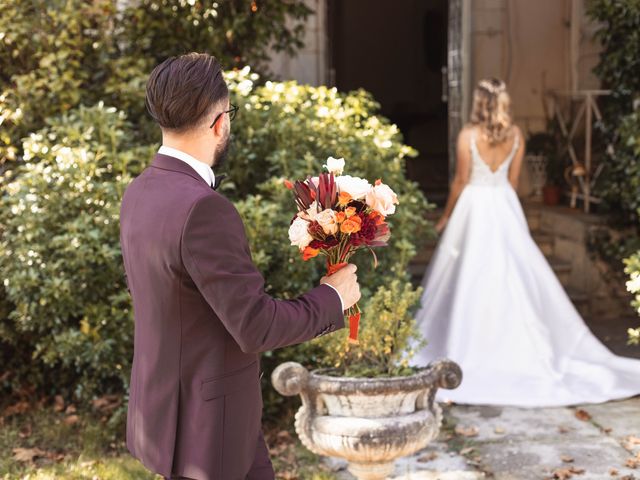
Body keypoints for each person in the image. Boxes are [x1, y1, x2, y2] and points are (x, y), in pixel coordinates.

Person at [119, 52, 361, 480]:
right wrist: (333, 297)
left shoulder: (139, 192)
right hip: (206, 430)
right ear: (219, 122)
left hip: (173, 415)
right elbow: (255, 326)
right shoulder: (203, 209)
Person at [412, 77, 640, 407]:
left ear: (478, 102)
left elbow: (461, 181)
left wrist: (446, 216)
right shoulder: (516, 135)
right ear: (503, 102)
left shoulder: (468, 135)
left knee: (470, 276)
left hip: (474, 207)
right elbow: (515, 181)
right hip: (504, 203)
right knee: (512, 275)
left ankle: (471, 345)